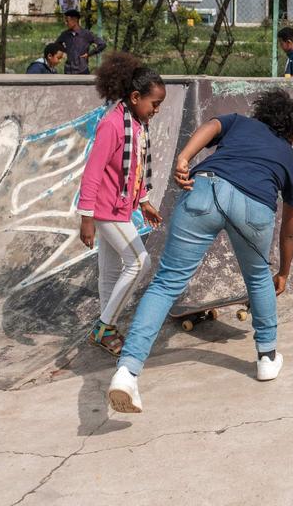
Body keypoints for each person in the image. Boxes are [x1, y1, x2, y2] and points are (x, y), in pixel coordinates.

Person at [108, 88, 293, 413]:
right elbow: (290, 227)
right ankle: (267, 358)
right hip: (253, 207)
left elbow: (212, 126)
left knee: (165, 284)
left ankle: (127, 371)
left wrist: (184, 158)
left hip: (203, 189)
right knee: (258, 278)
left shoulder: (240, 124)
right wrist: (283, 271)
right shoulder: (288, 156)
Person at [77, 51, 165, 356]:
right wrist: (86, 216)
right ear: (136, 96)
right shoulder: (113, 125)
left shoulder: (137, 124)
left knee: (111, 272)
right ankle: (103, 325)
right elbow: (93, 171)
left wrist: (144, 201)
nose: (156, 110)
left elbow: (134, 170)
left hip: (121, 207)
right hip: (105, 210)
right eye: (154, 104)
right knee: (140, 262)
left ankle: (107, 330)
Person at [57, 8, 107, 74]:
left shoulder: (86, 34)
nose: (66, 23)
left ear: (75, 20)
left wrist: (89, 54)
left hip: (82, 70)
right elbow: (57, 44)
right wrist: (66, 50)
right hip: (68, 71)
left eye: (67, 21)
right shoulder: (65, 34)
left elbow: (102, 44)